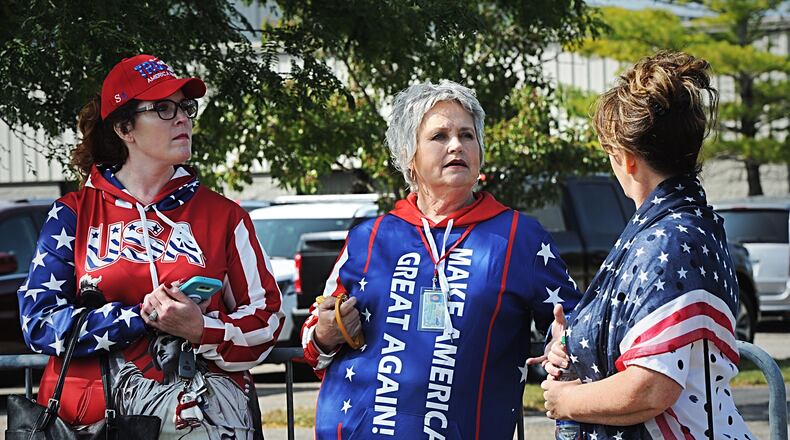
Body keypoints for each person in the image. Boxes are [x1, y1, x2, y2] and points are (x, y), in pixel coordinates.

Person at [17, 54, 284, 436]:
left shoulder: (224, 215)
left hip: (203, 419)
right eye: (163, 108)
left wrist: (201, 328)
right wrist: (135, 319)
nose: (182, 119)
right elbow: (38, 321)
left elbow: (268, 318)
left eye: (185, 107)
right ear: (125, 128)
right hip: (91, 423)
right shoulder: (73, 213)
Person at [300, 80, 580, 438]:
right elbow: (313, 339)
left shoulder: (519, 237)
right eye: (439, 136)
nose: (456, 146)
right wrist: (325, 332)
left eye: (466, 135)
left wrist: (562, 344)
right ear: (409, 156)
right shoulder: (368, 239)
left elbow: (573, 326)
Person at [540, 51, 755, 439]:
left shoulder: (671, 239)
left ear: (628, 158)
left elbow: (652, 386)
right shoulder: (685, 226)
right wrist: (572, 344)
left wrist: (565, 401)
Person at [111, 332, 254, 439]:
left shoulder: (220, 386)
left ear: (185, 344)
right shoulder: (146, 395)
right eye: (156, 349)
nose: (160, 350)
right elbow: (120, 371)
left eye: (167, 341)